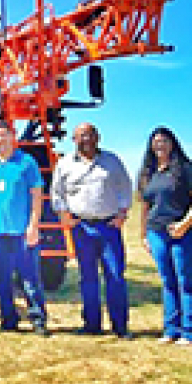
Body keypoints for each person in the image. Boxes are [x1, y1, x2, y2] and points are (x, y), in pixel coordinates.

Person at [51, 122, 134, 339]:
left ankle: (120, 326)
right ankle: (91, 324)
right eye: (80, 136)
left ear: (98, 137)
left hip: (108, 227)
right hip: (82, 228)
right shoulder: (65, 164)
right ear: (73, 140)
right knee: (88, 277)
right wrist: (64, 215)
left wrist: (122, 214)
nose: (85, 139)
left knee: (115, 275)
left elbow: (124, 187)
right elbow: (57, 193)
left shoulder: (112, 161)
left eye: (89, 135)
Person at [0, 120, 51, 337]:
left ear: (12, 136)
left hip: (22, 232)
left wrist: (33, 226)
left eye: (3, 135)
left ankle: (38, 319)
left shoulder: (27, 163)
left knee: (30, 279)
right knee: (2, 279)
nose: (0, 140)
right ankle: (9, 319)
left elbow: (37, 196)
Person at [138, 126, 192, 346]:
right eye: (156, 142)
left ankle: (190, 331)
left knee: (185, 280)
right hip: (157, 233)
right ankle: (171, 329)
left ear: (173, 144)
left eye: (164, 141)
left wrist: (184, 225)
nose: (160, 145)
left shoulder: (187, 169)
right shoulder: (149, 174)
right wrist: (143, 235)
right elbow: (145, 206)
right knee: (168, 281)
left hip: (186, 234)